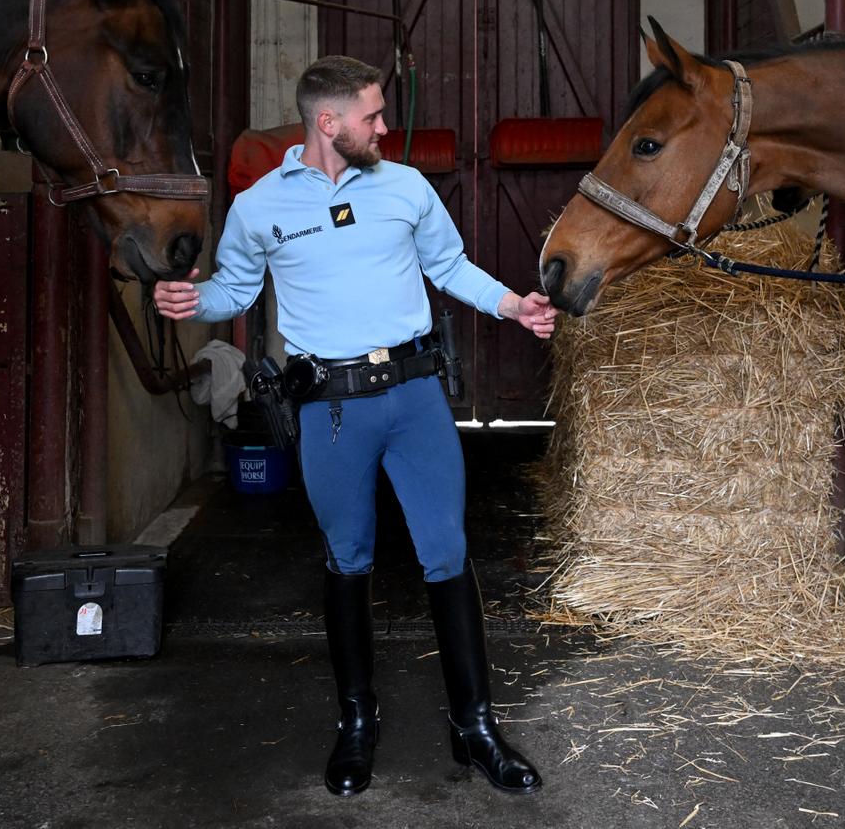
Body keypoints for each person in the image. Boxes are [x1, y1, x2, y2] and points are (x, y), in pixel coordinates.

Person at [153, 56, 557, 797]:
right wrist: (192, 301)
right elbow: (236, 287)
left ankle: (476, 726)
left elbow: (451, 265)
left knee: (445, 551)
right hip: (331, 408)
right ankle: (357, 722)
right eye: (372, 116)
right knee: (348, 558)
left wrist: (513, 305)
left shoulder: (405, 187)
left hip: (414, 399)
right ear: (327, 122)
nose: (384, 127)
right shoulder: (259, 206)